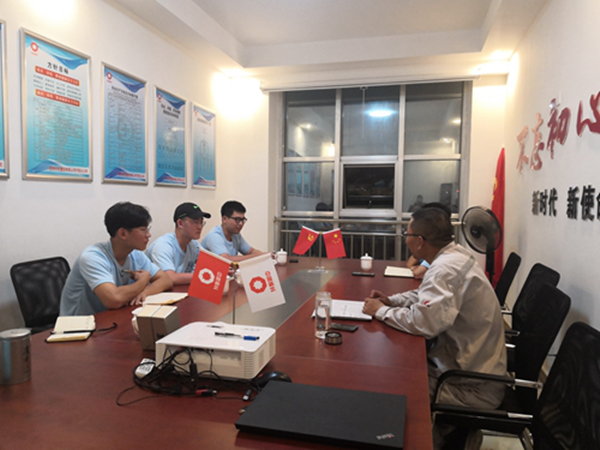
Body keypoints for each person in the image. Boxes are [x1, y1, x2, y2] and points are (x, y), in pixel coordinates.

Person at [363, 207, 506, 449]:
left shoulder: (443, 270)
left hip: (471, 386)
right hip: (472, 370)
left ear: (420, 241)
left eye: (407, 234)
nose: (405, 239)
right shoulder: (453, 256)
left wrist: (381, 311)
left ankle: (438, 440)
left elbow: (424, 322)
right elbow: (425, 296)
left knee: (396, 387)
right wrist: (392, 301)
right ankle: (454, 434)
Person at [60, 202, 173, 316]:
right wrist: (143, 281)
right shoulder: (92, 257)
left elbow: (166, 280)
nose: (148, 235)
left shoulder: (135, 254)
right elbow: (114, 299)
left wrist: (145, 292)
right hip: (79, 323)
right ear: (122, 233)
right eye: (143, 230)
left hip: (112, 317)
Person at [146, 202, 211, 285]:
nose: (200, 227)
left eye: (201, 222)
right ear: (180, 223)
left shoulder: (194, 245)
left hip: (179, 290)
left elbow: (211, 264)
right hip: (156, 292)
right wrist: (202, 276)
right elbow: (169, 278)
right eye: (195, 222)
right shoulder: (163, 246)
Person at [201, 200, 265, 262]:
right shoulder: (214, 236)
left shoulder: (236, 235)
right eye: (237, 219)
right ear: (224, 219)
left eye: (243, 220)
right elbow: (226, 260)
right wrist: (259, 256)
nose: (241, 223)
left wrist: (265, 256)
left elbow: (250, 251)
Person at [406, 202, 452, 279]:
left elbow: (418, 272)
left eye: (408, 235)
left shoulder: (441, 268)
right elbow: (410, 264)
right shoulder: (444, 252)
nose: (406, 241)